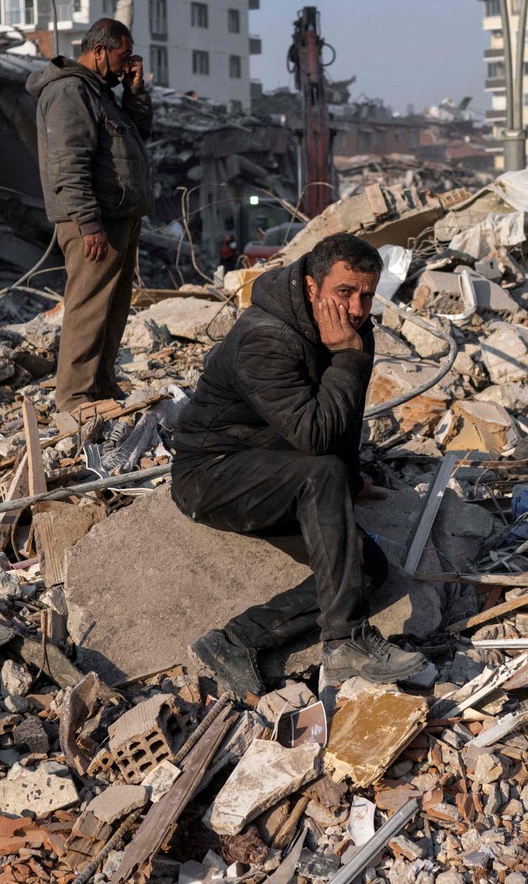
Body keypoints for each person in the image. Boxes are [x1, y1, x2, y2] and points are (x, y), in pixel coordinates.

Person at [171, 233, 426, 695]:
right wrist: (347, 357)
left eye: (366, 295)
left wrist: (351, 481)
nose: (356, 308)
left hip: (280, 470)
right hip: (212, 474)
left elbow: (343, 424)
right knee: (321, 472)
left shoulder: (350, 330)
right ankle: (345, 641)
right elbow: (315, 439)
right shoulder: (265, 339)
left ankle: (236, 640)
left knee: (364, 572)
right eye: (344, 292)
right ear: (312, 287)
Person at [26, 19, 151, 413]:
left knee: (112, 306)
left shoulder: (100, 92)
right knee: (88, 306)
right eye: (121, 55)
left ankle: (99, 387)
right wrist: (89, 223)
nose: (126, 63)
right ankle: (74, 398)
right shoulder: (69, 92)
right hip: (94, 222)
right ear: (99, 50)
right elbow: (69, 165)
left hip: (118, 218)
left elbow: (138, 134)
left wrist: (135, 90)